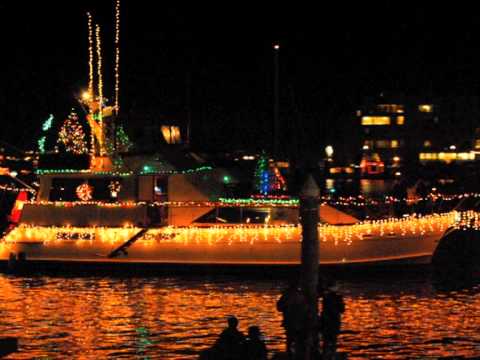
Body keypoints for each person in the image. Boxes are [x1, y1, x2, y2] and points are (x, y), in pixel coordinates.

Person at [276, 282, 307, 359]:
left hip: (293, 322)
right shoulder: (300, 295)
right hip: (296, 322)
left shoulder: (287, 295)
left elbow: (279, 307)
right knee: (295, 341)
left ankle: (292, 355)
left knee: (291, 341)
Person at [320, 280, 345, 359]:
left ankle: (326, 355)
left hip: (326, 320)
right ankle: (331, 355)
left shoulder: (325, 297)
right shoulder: (337, 297)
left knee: (326, 340)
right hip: (333, 321)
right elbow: (342, 309)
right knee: (333, 340)